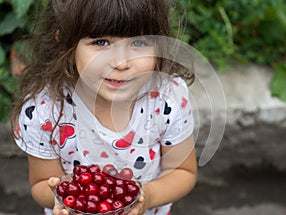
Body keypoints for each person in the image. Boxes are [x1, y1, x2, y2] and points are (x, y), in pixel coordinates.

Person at [11, 0, 197, 214]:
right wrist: (63, 196)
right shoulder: (44, 111)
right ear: (65, 41)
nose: (121, 63)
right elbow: (41, 183)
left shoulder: (167, 98)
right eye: (101, 42)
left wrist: (147, 196)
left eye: (138, 43)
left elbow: (182, 171)